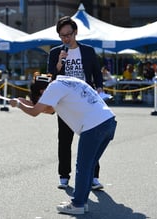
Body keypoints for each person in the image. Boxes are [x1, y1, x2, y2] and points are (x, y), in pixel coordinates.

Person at [9, 75, 117, 215]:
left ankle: (77, 204)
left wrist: (18, 104)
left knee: (83, 166)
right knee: (89, 165)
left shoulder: (53, 88)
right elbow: (49, 110)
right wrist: (25, 103)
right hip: (108, 121)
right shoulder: (67, 81)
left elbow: (35, 112)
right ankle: (81, 202)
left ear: (42, 91)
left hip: (94, 126)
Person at [47, 16, 104, 190]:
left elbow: (96, 72)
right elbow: (50, 76)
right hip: (65, 102)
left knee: (91, 140)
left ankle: (93, 177)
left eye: (68, 34)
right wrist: (58, 64)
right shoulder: (55, 52)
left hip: (86, 100)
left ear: (75, 32)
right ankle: (64, 176)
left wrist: (100, 87)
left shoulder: (87, 51)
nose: (66, 38)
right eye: (62, 35)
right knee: (64, 139)